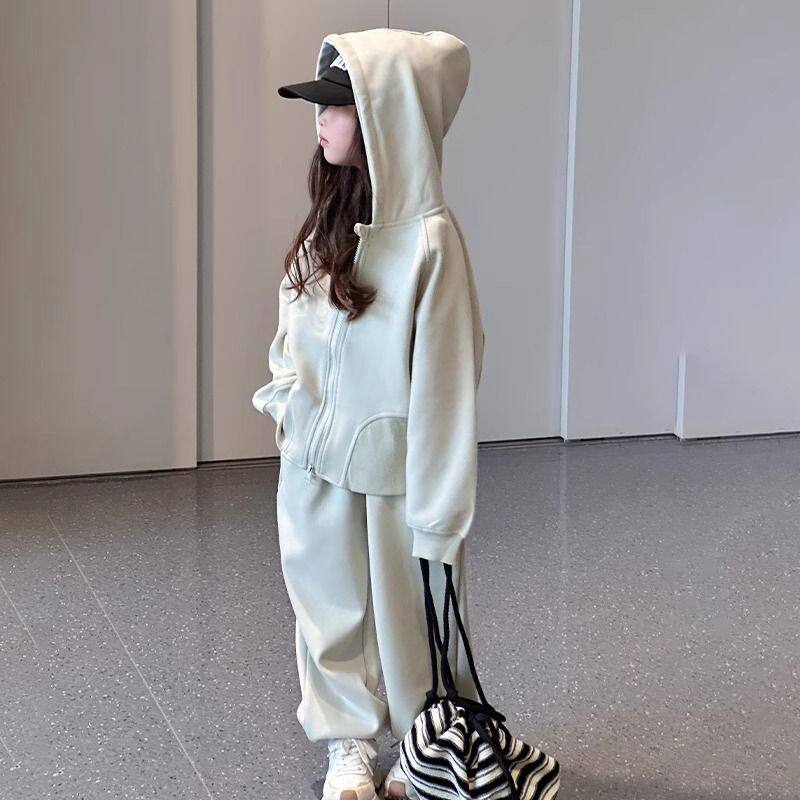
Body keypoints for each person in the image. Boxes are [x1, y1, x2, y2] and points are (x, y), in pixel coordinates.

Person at [252, 27, 486, 800]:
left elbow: (448, 387)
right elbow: (289, 331)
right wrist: (288, 411)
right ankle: (347, 741)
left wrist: (440, 518)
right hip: (313, 467)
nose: (320, 121)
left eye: (337, 106)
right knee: (326, 610)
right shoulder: (327, 220)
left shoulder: (431, 246)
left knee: (411, 621)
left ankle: (425, 742)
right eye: (319, 106)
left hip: (395, 479)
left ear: (390, 115)